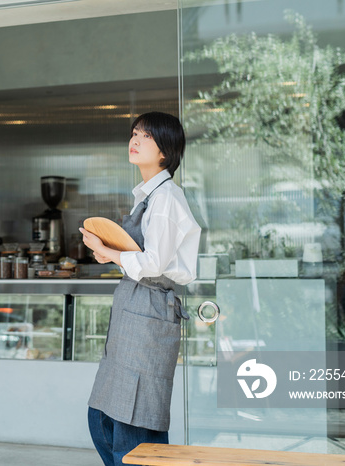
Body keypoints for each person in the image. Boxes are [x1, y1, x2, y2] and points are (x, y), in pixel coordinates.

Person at [79, 111, 201, 466]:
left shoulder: (165, 199)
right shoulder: (150, 195)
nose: (135, 140)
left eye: (146, 136)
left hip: (149, 306)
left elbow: (153, 264)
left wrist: (109, 252)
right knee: (104, 419)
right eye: (134, 133)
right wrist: (111, 253)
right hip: (136, 305)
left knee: (134, 424)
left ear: (165, 150)